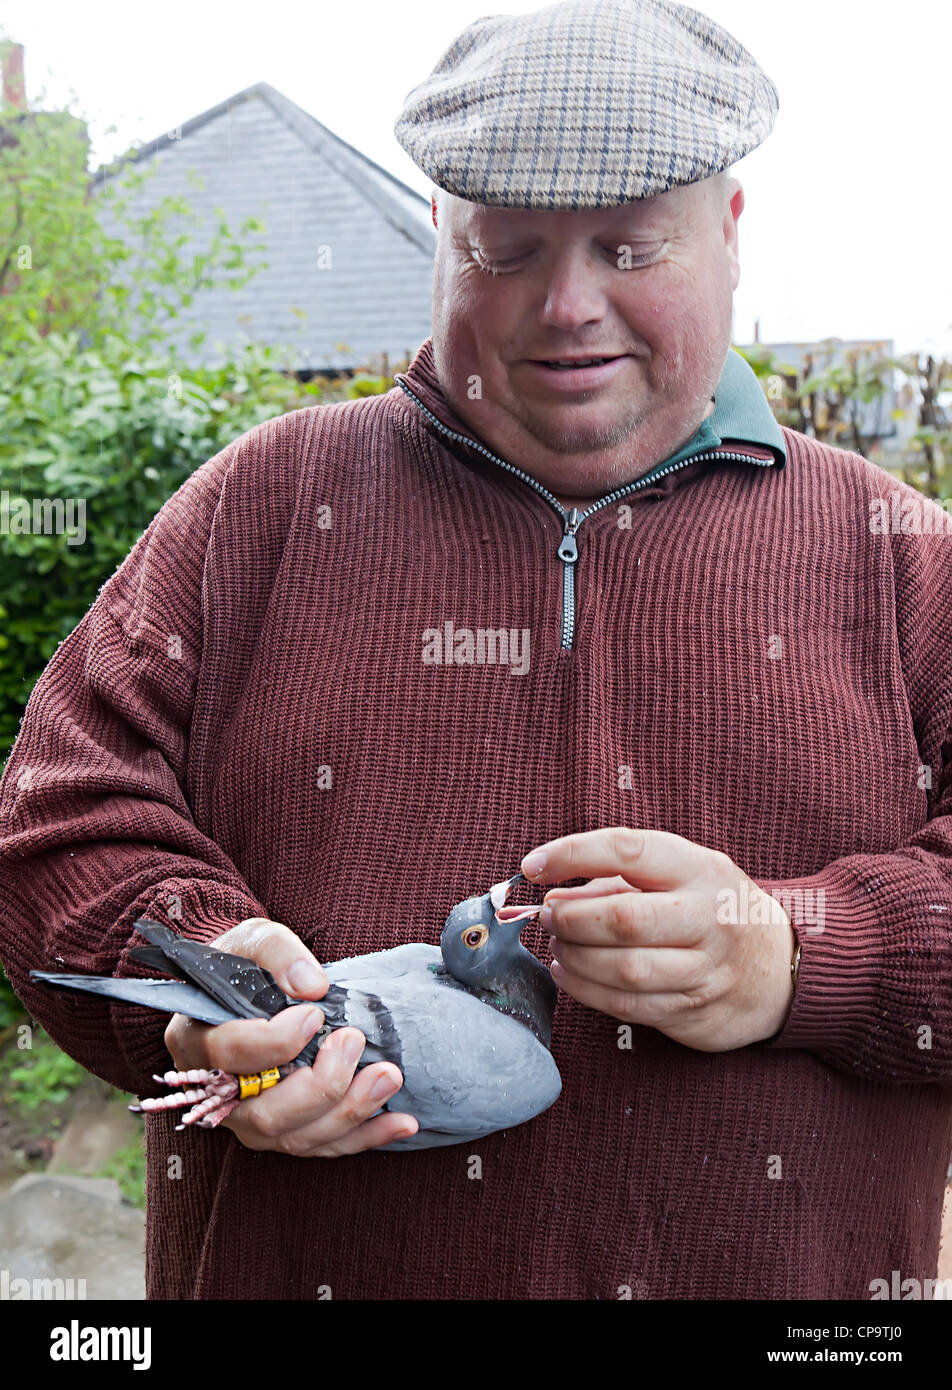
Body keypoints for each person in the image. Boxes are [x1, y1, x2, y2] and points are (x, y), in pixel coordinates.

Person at [1, 0, 950, 1301]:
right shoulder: (258, 507)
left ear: (730, 233)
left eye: (630, 244)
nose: (568, 307)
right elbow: (57, 818)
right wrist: (207, 983)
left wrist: (802, 953)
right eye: (505, 248)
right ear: (439, 232)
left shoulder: (902, 551)